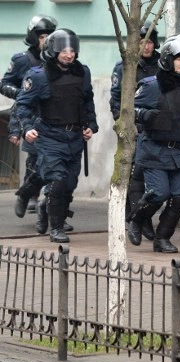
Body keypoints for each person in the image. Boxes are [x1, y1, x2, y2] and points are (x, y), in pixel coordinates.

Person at [126, 34, 180, 253]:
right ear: (167, 59)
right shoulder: (152, 85)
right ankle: (136, 219)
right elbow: (129, 112)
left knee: (179, 199)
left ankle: (162, 238)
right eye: (179, 58)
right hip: (155, 150)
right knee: (158, 193)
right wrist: (147, 116)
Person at [15, 28, 98, 243]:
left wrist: (90, 124)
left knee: (69, 184)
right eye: (64, 51)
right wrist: (26, 128)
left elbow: (88, 100)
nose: (69, 55)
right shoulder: (38, 76)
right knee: (57, 181)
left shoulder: (82, 73)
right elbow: (22, 106)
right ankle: (57, 227)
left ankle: (43, 205)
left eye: (72, 50)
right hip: (49, 136)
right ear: (53, 51)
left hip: (75, 138)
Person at [2, 15, 58, 220]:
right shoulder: (22, 60)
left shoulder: (59, 60)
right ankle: (30, 194)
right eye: (42, 36)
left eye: (50, 36)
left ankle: (52, 205)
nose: (46, 40)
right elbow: (4, 84)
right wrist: (23, 95)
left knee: (55, 163)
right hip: (31, 118)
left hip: (54, 118)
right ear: (34, 38)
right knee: (34, 161)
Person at [109, 21, 161, 242]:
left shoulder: (162, 64)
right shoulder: (125, 66)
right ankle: (141, 221)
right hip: (134, 130)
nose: (146, 46)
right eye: (141, 42)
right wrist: (125, 126)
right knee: (134, 177)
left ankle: (141, 217)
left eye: (149, 41)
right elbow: (116, 101)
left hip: (157, 131)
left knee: (152, 181)